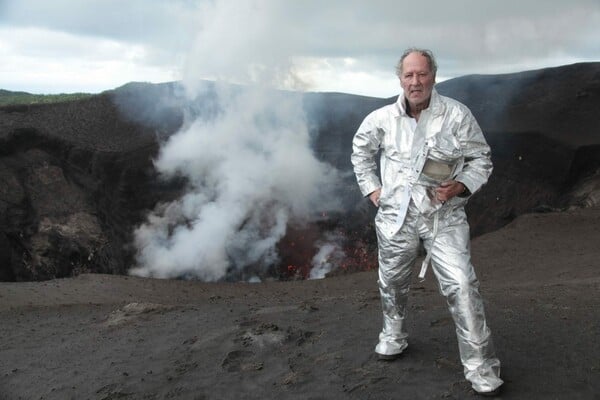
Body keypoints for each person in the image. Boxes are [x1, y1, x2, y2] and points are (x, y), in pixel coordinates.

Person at [351, 48, 503, 396]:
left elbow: (481, 158)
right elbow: (360, 151)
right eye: (409, 75)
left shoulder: (456, 115)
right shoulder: (382, 119)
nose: (415, 82)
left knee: (462, 285)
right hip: (395, 217)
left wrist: (461, 185)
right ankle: (393, 334)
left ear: (433, 76)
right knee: (391, 281)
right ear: (400, 78)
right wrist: (374, 190)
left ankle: (480, 367)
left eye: (421, 74)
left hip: (442, 218)